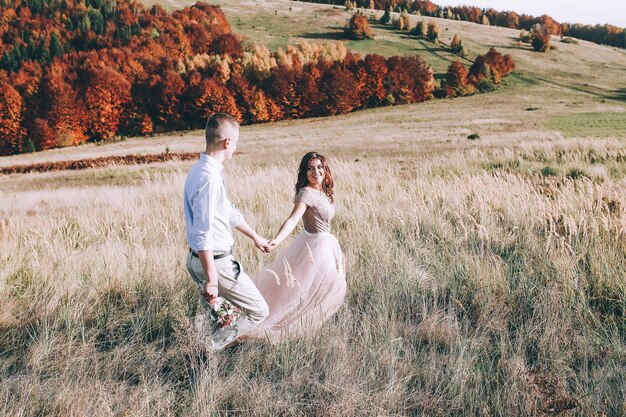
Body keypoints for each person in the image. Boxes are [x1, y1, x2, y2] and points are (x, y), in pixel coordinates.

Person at [184, 112, 270, 351]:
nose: (236, 147)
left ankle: (205, 362)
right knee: (258, 311)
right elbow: (203, 232)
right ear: (228, 142)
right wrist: (212, 279)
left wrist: (255, 236)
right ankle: (206, 350)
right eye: (237, 141)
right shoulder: (208, 178)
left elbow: (228, 211)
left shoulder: (201, 171)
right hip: (216, 264)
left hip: (197, 260)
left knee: (219, 317)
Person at [244, 151, 347, 343]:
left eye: (319, 167)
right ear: (304, 172)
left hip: (326, 243)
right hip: (314, 245)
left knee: (326, 284)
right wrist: (276, 240)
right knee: (318, 285)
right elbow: (292, 219)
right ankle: (295, 323)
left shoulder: (323, 191)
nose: (315, 171)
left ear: (325, 169)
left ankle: (312, 324)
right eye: (310, 168)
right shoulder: (306, 192)